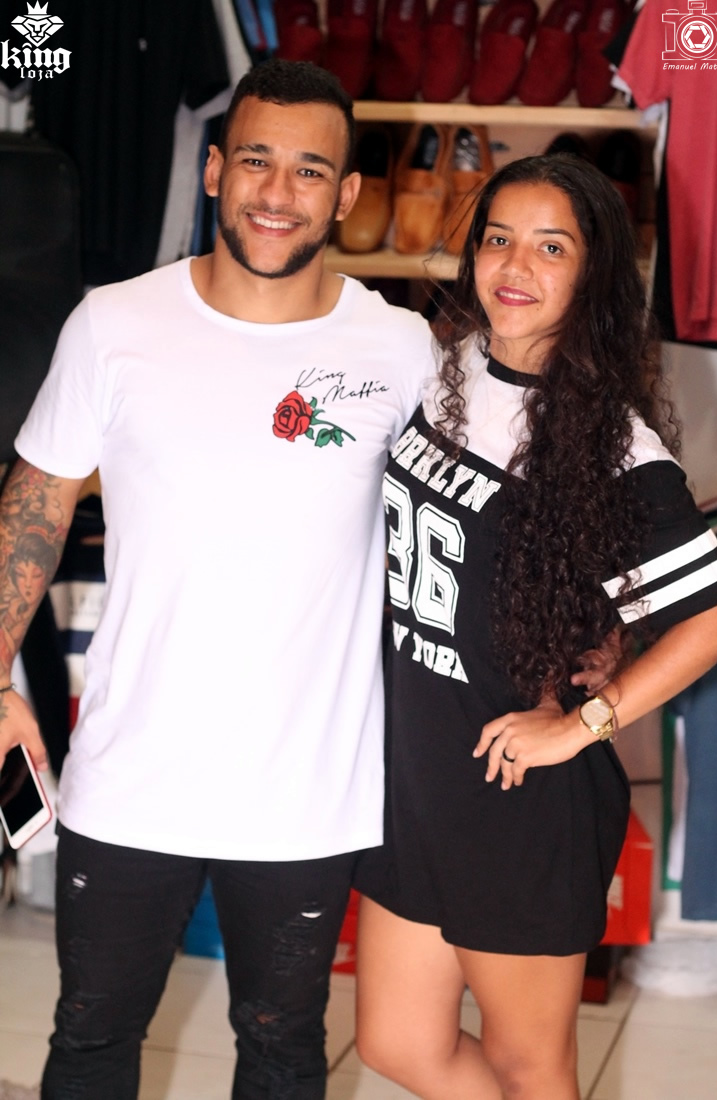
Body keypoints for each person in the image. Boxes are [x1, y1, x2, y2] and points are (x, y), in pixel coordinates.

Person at [0, 59, 436, 1099]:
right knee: (90, 1041)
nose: (277, 193)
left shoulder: (401, 348)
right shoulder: (113, 324)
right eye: (255, 161)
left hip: (308, 790)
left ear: (347, 194)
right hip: (131, 776)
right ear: (212, 170)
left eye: (308, 170)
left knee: (282, 1052)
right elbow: (34, 511)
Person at [354, 154, 717, 1100]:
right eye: (498, 238)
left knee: (531, 1072)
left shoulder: (616, 449)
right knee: (396, 1045)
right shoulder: (442, 369)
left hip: (517, 799)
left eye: (550, 247)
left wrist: (581, 726)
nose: (514, 265)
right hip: (415, 776)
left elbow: (713, 618)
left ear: (592, 271)